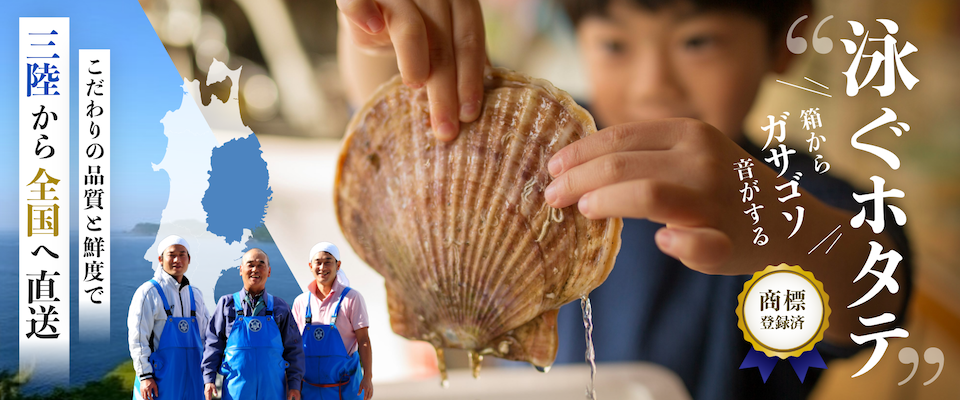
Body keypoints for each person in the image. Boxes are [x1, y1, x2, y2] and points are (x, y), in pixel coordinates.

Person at [336, 1, 913, 399]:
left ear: (787, 38)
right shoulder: (539, 151)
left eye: (697, 41)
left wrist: (778, 223)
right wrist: (379, 29)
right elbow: (420, 117)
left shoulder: (800, 193)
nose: (651, 82)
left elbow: (876, 294)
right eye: (615, 43)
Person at [201, 249, 305, 400]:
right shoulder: (226, 304)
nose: (255, 269)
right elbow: (213, 344)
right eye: (250, 265)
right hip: (235, 392)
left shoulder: (280, 307)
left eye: (261, 265)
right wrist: (209, 379)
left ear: (269, 271)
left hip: (273, 392)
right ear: (241, 270)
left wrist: (294, 385)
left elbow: (294, 349)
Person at [127, 235, 210, 400]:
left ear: (189, 259)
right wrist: (145, 376)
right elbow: (138, 338)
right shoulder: (148, 292)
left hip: (193, 378)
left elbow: (206, 337)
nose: (177, 259)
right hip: (160, 379)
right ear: (160, 259)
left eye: (182, 254)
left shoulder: (196, 295)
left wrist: (209, 374)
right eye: (171, 255)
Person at [292, 242, 373, 400]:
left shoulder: (352, 298)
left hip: (345, 388)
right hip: (308, 388)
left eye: (328, 261)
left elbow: (363, 340)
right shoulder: (300, 302)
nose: (322, 267)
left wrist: (368, 377)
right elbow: (293, 344)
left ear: (338, 265)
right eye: (318, 262)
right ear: (310, 266)